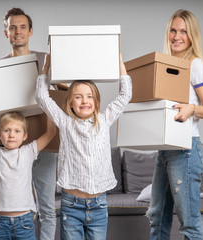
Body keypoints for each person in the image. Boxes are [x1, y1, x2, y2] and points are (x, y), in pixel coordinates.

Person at [0, 8, 60, 240]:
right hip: (10, 148)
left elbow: (62, 95)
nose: (18, 32)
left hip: (42, 146)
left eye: (22, 27)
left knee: (46, 207)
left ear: (30, 31)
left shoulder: (46, 60)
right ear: (6, 33)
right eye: (12, 27)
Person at [35, 53, 132, 240]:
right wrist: (46, 68)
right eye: (78, 97)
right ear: (70, 102)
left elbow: (125, 95)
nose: (85, 101)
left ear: (96, 101)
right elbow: (42, 97)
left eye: (89, 96)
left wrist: (119, 62)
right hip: (71, 206)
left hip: (99, 206)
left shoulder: (104, 120)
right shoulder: (65, 123)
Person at [146, 9, 203, 240]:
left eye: (183, 31)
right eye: (173, 30)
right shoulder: (166, 64)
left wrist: (191, 109)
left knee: (189, 223)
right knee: (157, 215)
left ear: (191, 35)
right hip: (166, 149)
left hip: (186, 151)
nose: (177, 36)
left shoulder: (194, 64)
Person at [0, 86, 56, 240]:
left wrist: (46, 102)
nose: (11, 135)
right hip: (0, 223)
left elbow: (50, 133)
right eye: (7, 130)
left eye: (17, 131)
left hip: (25, 222)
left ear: (25, 136)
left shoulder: (28, 152)